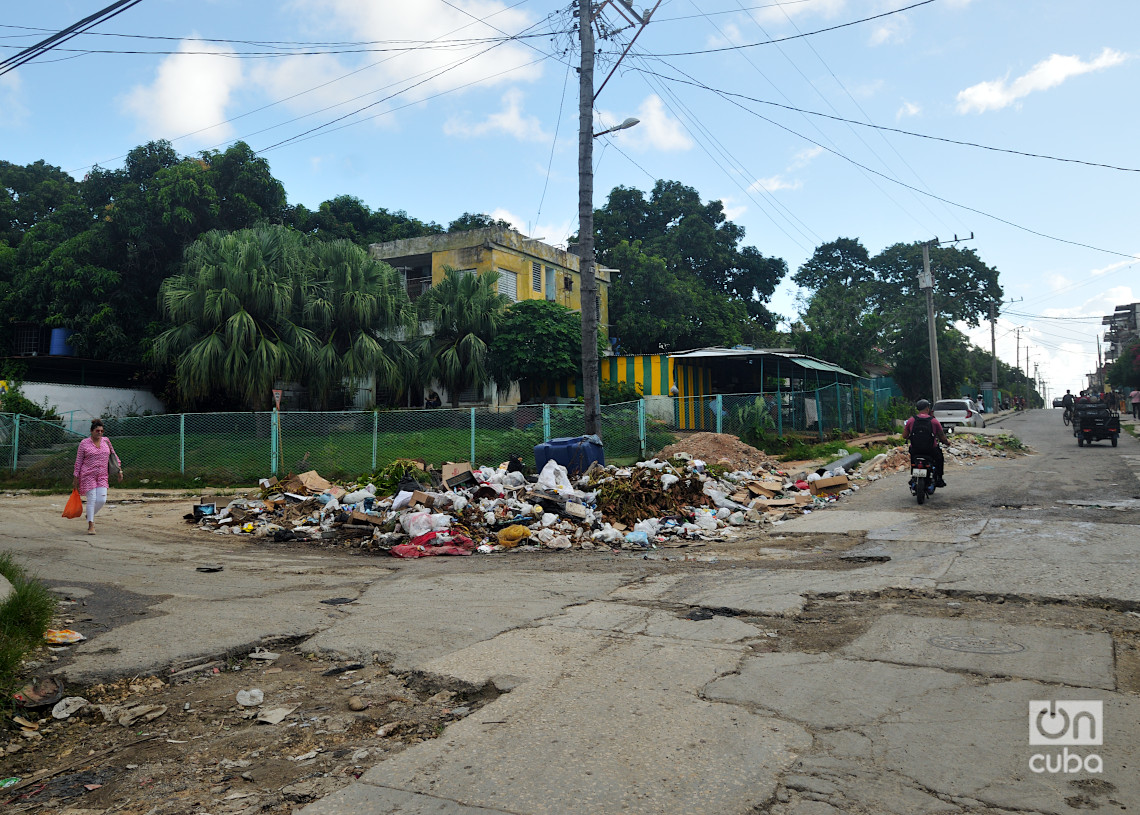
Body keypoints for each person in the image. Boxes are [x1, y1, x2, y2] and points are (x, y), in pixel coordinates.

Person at [72, 419, 123, 535]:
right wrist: (76, 477)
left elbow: (113, 456)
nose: (99, 433)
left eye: (101, 431)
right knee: (92, 499)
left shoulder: (106, 441)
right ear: (91, 431)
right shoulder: (84, 443)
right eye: (97, 431)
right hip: (87, 475)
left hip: (102, 475)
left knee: (102, 500)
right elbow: (78, 461)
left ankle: (90, 515)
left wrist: (119, 470)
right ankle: (91, 524)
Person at [903, 399, 950, 488]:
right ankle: (939, 479)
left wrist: (912, 438)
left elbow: (904, 435)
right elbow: (942, 436)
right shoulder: (934, 421)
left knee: (913, 460)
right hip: (931, 450)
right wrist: (947, 443)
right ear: (928, 409)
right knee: (939, 459)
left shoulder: (911, 420)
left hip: (916, 449)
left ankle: (914, 476)